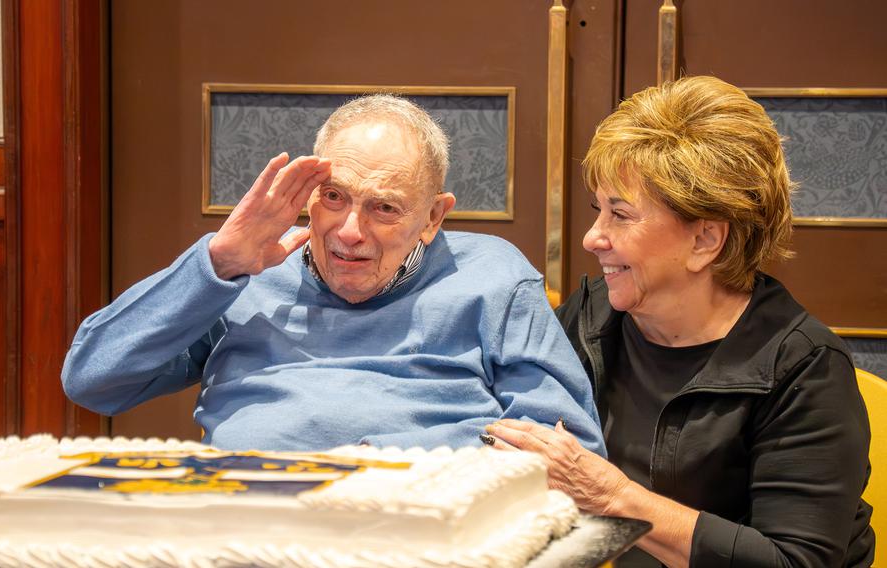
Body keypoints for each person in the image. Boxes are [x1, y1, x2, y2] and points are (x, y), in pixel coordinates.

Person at [62, 94, 605, 455]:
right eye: (334, 197)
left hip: (419, 525)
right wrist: (218, 264)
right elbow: (94, 379)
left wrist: (408, 478)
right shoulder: (244, 273)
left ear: (432, 217)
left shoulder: (493, 276)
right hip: (253, 525)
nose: (349, 230)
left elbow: (566, 448)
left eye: (384, 208)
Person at [484, 76, 874, 567]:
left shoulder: (804, 369)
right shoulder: (587, 320)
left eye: (620, 215)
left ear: (705, 240)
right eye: (597, 210)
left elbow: (796, 560)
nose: (591, 238)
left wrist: (615, 497)